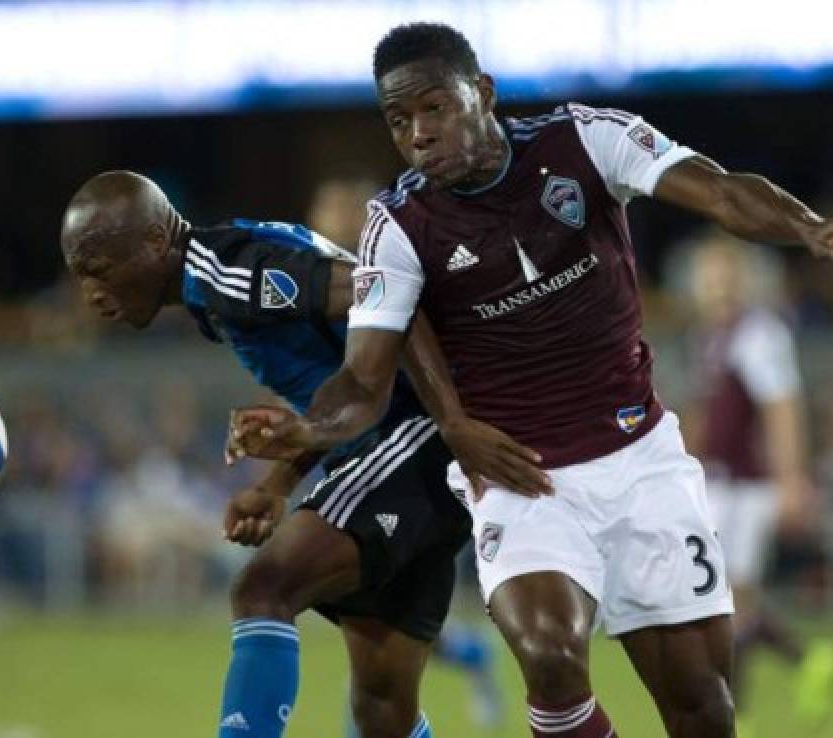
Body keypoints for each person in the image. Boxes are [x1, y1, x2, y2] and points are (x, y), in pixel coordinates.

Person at [226, 22, 833, 738]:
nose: (418, 133)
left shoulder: (585, 141)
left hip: (641, 463)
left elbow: (719, 192)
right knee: (550, 656)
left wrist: (809, 229)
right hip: (524, 482)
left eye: (434, 108)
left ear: (483, 93)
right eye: (399, 120)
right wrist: (306, 428)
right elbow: (362, 380)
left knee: (701, 705)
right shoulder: (398, 225)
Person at [58, 170, 545, 738]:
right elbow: (340, 375)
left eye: (98, 269)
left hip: (416, 434)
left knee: (264, 587)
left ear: (153, 242)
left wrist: (453, 421)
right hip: (407, 445)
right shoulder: (218, 289)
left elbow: (386, 288)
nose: (90, 293)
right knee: (382, 710)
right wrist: (277, 483)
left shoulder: (233, 270)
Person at [306, 173, 507, 735]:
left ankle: (466, 660)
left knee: (369, 623)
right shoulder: (320, 293)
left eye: (343, 206)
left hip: (415, 467)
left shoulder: (403, 281)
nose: (331, 219)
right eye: (324, 207)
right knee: (377, 627)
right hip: (358, 465)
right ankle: (470, 657)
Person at [685, 236, 833, 734]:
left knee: (724, 603)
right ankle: (808, 659)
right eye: (707, 276)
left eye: (720, 275)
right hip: (719, 481)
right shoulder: (716, 335)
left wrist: (792, 479)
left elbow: (781, 405)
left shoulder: (758, 333)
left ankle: (741, 715)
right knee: (731, 602)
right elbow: (711, 413)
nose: (712, 285)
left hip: (748, 486)